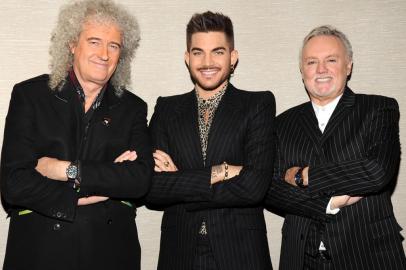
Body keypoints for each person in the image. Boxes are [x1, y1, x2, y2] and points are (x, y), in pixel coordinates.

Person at [0, 0, 153, 269]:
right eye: (94, 41)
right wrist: (93, 191)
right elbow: (14, 184)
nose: (104, 54)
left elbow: (139, 180)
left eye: (114, 45)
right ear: (72, 44)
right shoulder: (30, 96)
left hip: (110, 252)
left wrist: (65, 170)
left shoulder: (133, 108)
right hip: (40, 251)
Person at [265, 25, 406, 270]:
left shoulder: (379, 109)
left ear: (348, 65)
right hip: (300, 259)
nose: (321, 69)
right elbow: (269, 188)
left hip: (369, 256)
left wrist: (303, 176)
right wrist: (328, 205)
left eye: (331, 60)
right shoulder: (281, 124)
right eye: (311, 62)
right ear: (302, 70)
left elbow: (376, 171)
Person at [145, 11, 275, 270]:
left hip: (241, 253)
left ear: (232, 57)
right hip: (180, 252)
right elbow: (152, 189)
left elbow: (255, 187)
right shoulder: (167, 109)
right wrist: (223, 171)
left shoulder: (257, 104)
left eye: (217, 51)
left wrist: (180, 180)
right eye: (197, 52)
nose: (207, 62)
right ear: (187, 58)